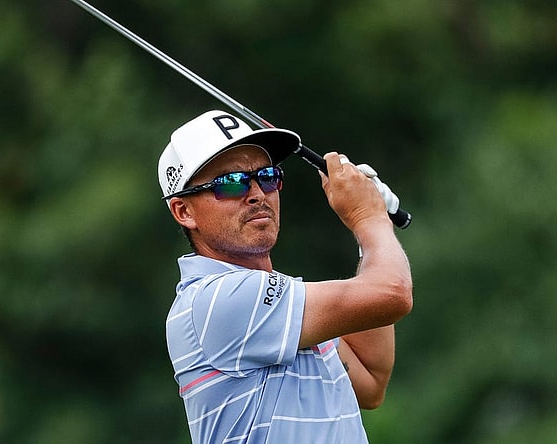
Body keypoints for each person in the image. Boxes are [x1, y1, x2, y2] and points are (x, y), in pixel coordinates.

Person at [158, 110, 413, 443]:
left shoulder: (284, 306)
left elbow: (370, 381)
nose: (257, 193)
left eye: (266, 176)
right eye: (230, 182)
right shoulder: (214, 300)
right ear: (184, 211)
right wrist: (369, 217)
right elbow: (393, 294)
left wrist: (372, 233)